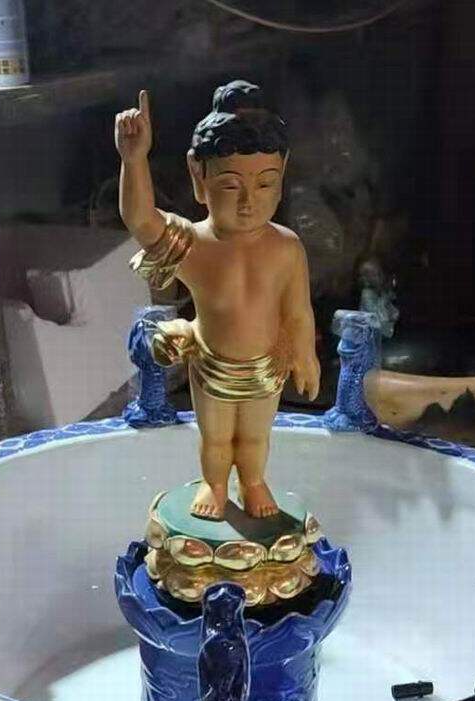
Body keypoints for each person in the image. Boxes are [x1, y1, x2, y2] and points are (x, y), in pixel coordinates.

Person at [116, 80, 320, 520]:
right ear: (199, 175)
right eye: (230, 186)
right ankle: (215, 483)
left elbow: (298, 312)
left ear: (283, 174)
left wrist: (306, 355)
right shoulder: (194, 245)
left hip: (266, 366)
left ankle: (253, 481)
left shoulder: (287, 248)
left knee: (256, 437)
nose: (248, 202)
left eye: (265, 184)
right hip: (212, 363)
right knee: (215, 437)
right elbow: (142, 221)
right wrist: (134, 160)